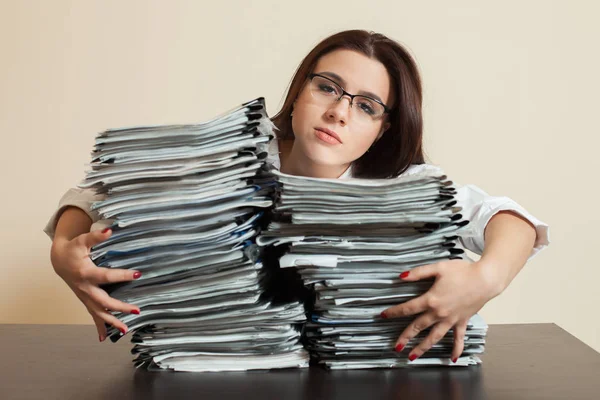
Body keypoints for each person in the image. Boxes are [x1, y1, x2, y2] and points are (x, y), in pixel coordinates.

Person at [45, 30, 549, 363]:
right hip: (219, 369)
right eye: (328, 87)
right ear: (300, 90)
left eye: (368, 106)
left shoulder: (400, 184)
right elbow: (100, 188)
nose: (339, 112)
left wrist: (486, 277)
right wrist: (64, 250)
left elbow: (507, 218)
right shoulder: (239, 151)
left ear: (383, 128)